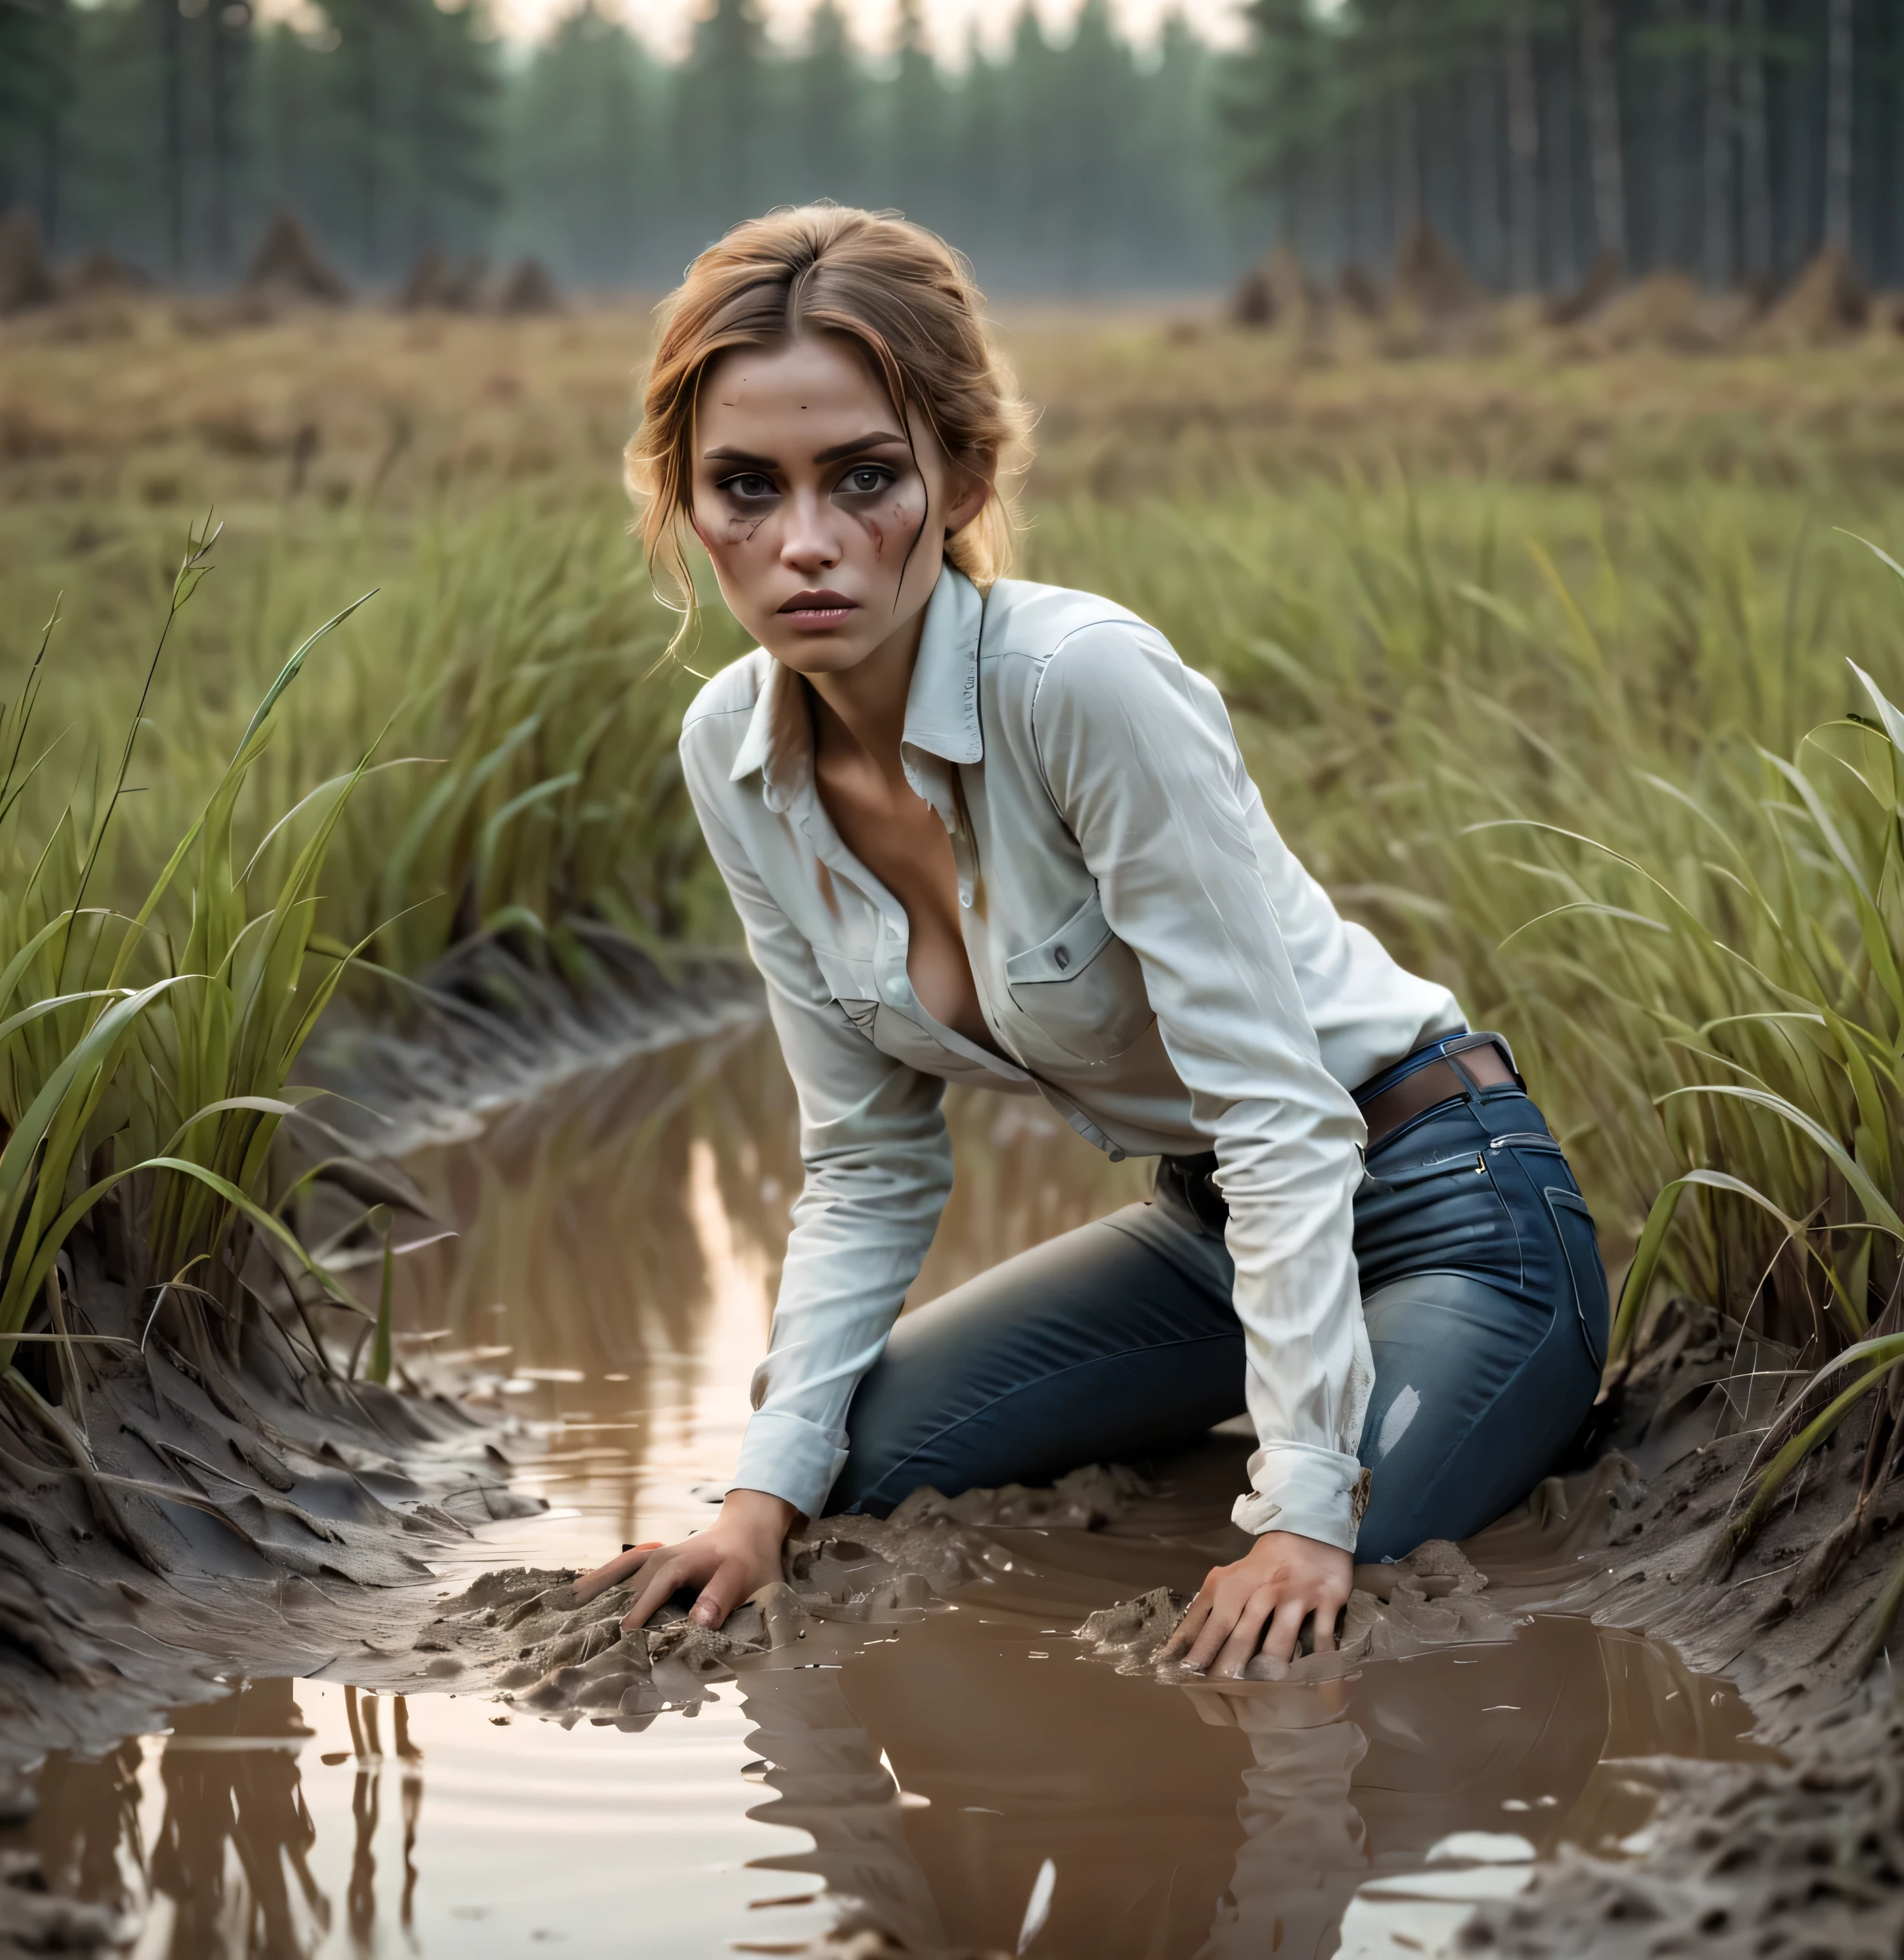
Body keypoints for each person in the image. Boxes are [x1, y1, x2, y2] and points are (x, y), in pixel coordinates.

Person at [574, 205, 1608, 1679]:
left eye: (864, 477)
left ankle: (1367, 1411)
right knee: (840, 1474)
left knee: (1320, 1605)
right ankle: (1270, 1396)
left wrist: (1303, 1513)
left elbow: (1277, 1111)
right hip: (1208, 1240)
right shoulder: (732, 750)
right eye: (745, 487)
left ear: (962, 474)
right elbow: (866, 1161)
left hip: (1448, 1208)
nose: (803, 543)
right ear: (686, 503)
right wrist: (755, 1499)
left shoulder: (1081, 686)